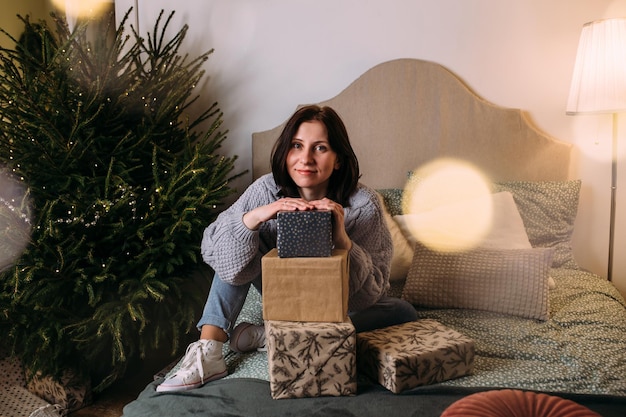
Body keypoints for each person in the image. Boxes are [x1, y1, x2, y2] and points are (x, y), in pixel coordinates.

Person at [156, 105, 417, 392]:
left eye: (320, 148)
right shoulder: (265, 190)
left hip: (336, 304)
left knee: (403, 311)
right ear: (286, 151)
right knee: (234, 247)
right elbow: (217, 252)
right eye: (297, 146)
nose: (306, 159)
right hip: (281, 292)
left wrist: (343, 240)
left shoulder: (363, 204)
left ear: (338, 159)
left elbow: (369, 293)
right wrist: (254, 218)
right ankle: (209, 351)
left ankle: (273, 335)